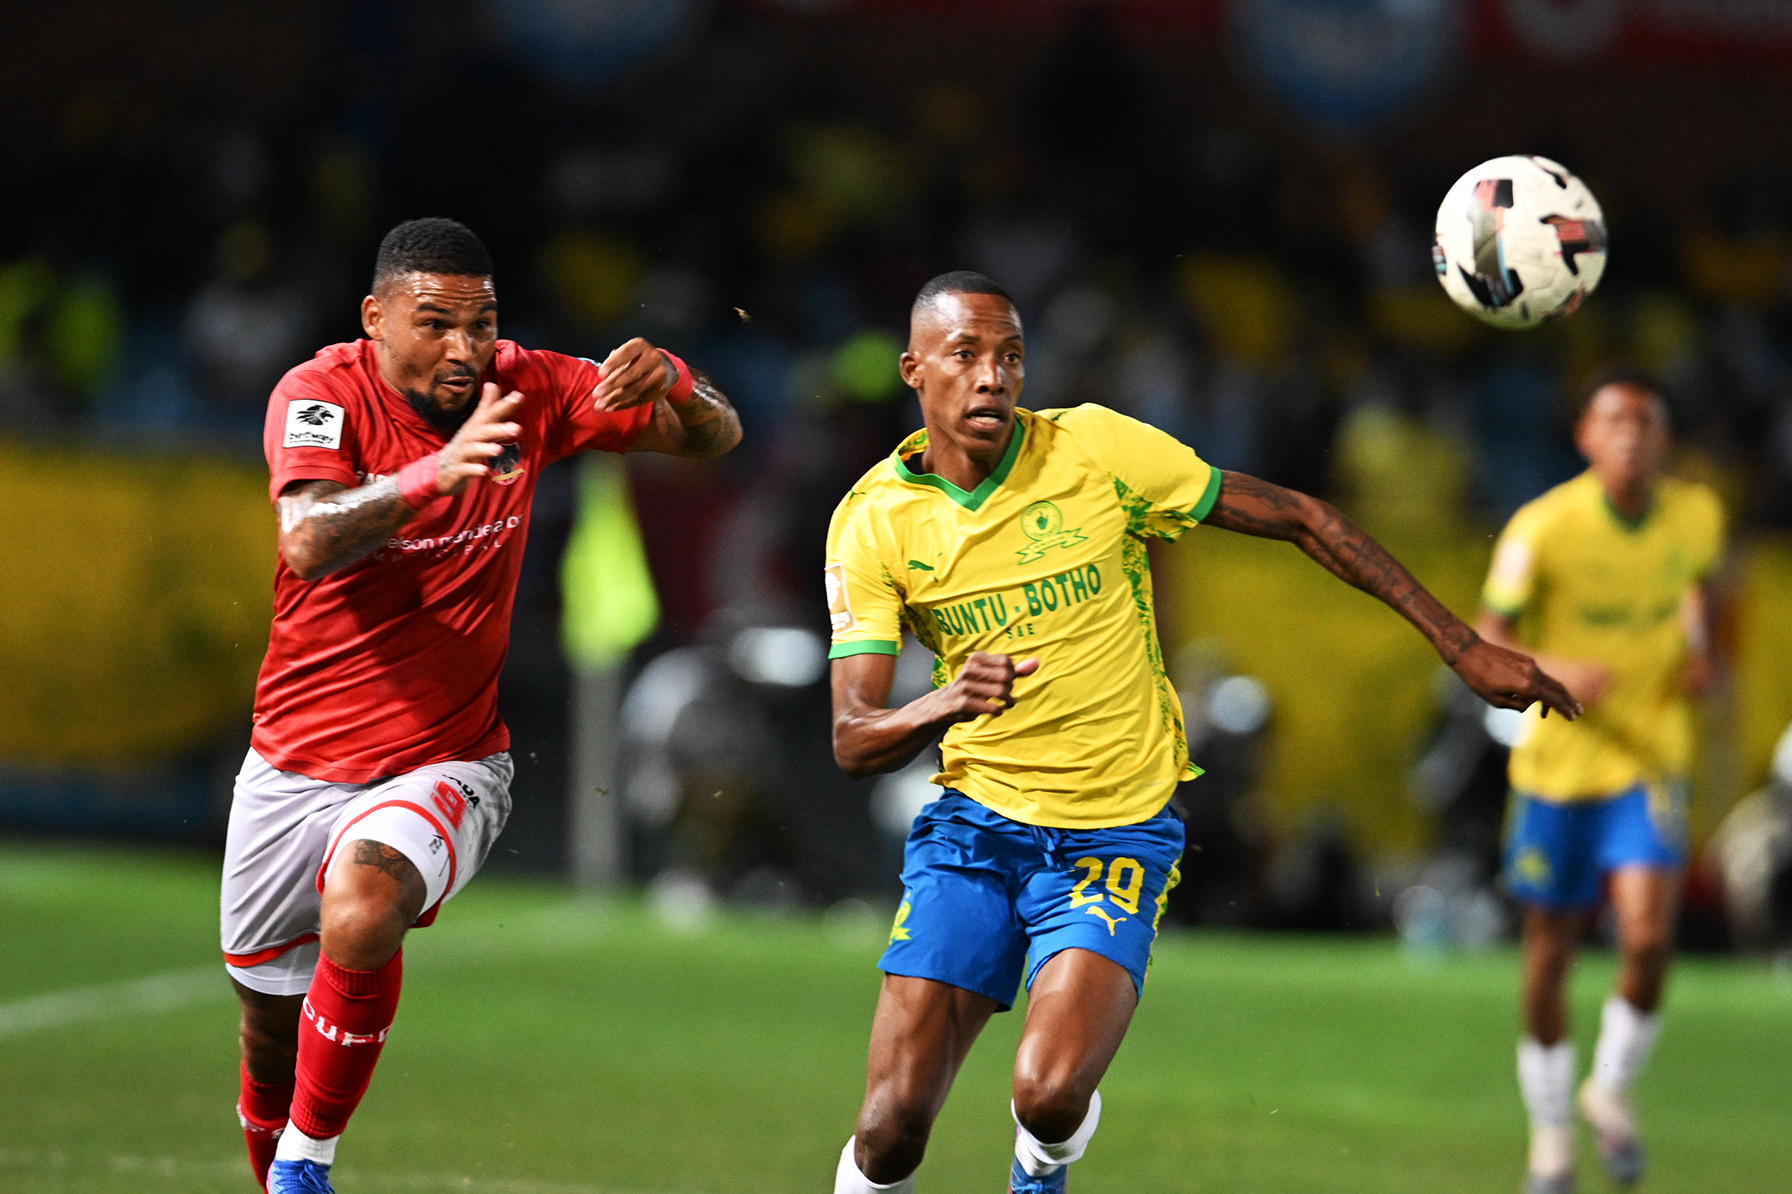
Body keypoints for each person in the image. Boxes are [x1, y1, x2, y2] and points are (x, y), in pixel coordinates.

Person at [823, 271, 1578, 1194]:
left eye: (1011, 356)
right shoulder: (874, 523)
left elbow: (1302, 518)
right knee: (890, 1131)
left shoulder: (1096, 450)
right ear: (914, 370)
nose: (993, 376)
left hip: (1113, 835)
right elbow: (854, 739)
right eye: (966, 355)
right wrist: (941, 703)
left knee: (1047, 1094)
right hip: (974, 833)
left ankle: (1043, 1159)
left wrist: (1462, 645)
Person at [220, 217, 741, 1194]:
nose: (465, 349)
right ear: (375, 319)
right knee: (266, 1034)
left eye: (482, 323)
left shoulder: (529, 385)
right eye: (436, 325)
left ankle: (304, 1163)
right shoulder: (319, 395)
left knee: (365, 901)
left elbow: (714, 434)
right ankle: (280, 1169)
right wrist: (432, 476)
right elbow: (306, 539)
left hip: (446, 757)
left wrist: (674, 378)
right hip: (293, 760)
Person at [1476, 373, 1723, 1194]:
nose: (1631, 434)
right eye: (1614, 419)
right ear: (1585, 436)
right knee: (1549, 958)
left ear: (1665, 439)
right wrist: (1553, 667)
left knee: (1648, 937)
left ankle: (1609, 1088)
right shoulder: (1543, 527)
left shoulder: (1698, 514)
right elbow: (1487, 635)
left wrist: (1698, 648)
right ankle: (1550, 1137)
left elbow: (1696, 587)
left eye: (1646, 420)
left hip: (1648, 757)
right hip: (1558, 766)